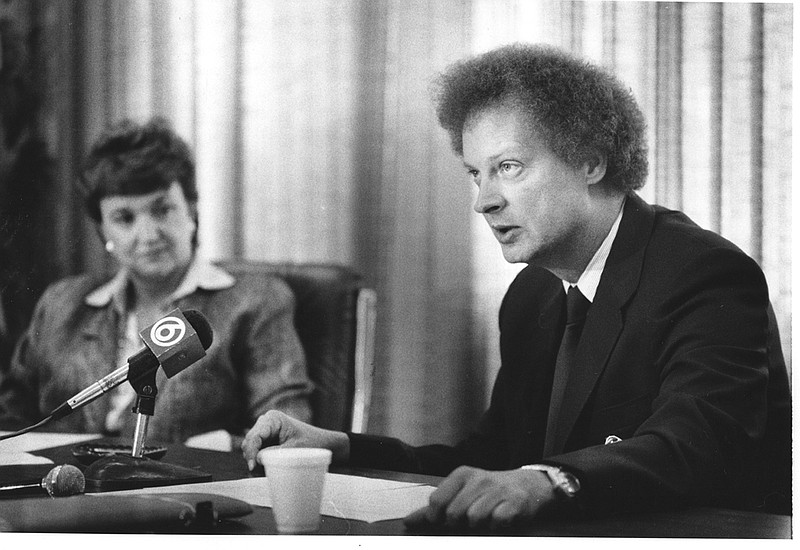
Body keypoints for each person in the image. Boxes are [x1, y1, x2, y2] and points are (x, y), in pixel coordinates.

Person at [241, 44, 791, 529]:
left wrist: (551, 480)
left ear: (590, 160)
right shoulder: (533, 295)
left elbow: (696, 445)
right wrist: (345, 447)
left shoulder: (704, 273)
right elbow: (500, 461)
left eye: (508, 167)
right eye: (475, 174)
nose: (483, 201)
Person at [0, 118, 314, 451]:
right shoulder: (61, 304)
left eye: (162, 210)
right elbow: (10, 417)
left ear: (191, 210)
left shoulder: (255, 301)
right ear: (102, 230)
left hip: (183, 492)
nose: (148, 235)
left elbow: (286, 426)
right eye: (125, 218)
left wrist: (231, 446)